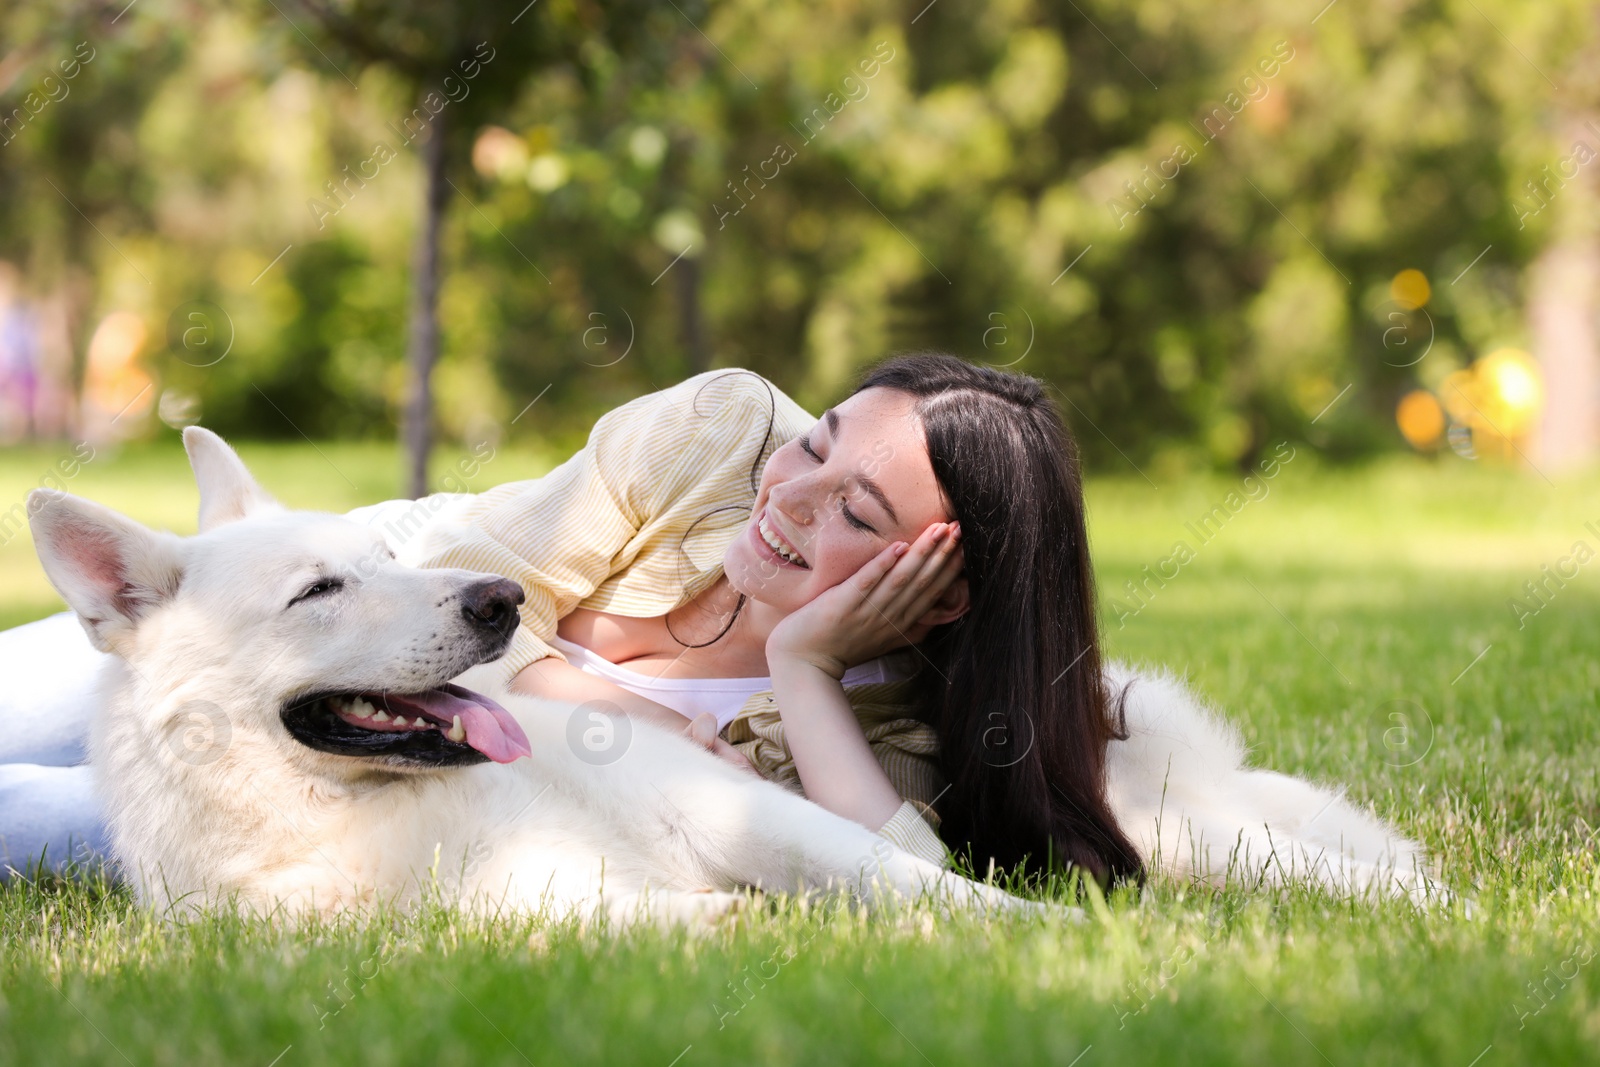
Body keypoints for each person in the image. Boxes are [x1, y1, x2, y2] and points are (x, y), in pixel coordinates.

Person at [0, 352, 1141, 885]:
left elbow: (891, 870)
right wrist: (590, 694)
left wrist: (800, 663)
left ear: (940, 587)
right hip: (342, 595)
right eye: (817, 439)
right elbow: (483, 587)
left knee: (32, 823)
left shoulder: (893, 718)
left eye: (852, 506)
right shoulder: (718, 435)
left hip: (344, 769)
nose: (785, 492)